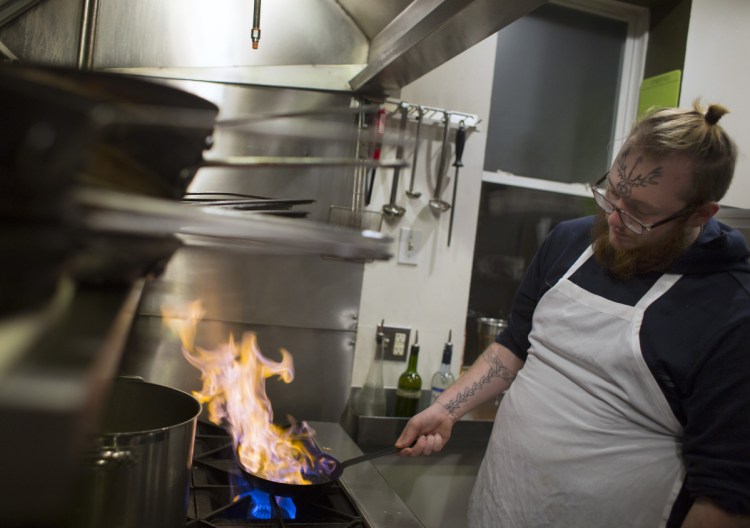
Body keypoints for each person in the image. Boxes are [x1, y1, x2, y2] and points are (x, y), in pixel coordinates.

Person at [396, 101, 750, 528]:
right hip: (500, 508)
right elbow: (515, 346)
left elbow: (726, 498)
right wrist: (448, 408)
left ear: (700, 214)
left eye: (640, 213)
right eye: (611, 192)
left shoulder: (731, 313)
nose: (614, 218)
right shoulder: (569, 242)